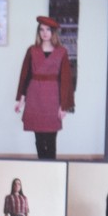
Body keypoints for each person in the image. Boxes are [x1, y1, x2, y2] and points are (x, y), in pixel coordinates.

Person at [15, 14, 74, 159]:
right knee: (39, 139)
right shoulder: (32, 50)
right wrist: (21, 100)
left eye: (48, 29)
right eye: (41, 30)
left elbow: (66, 80)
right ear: (38, 32)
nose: (44, 33)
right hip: (35, 97)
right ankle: (41, 165)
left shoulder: (61, 52)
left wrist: (63, 106)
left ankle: (51, 166)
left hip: (53, 98)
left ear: (53, 32)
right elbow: (25, 76)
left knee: (51, 140)